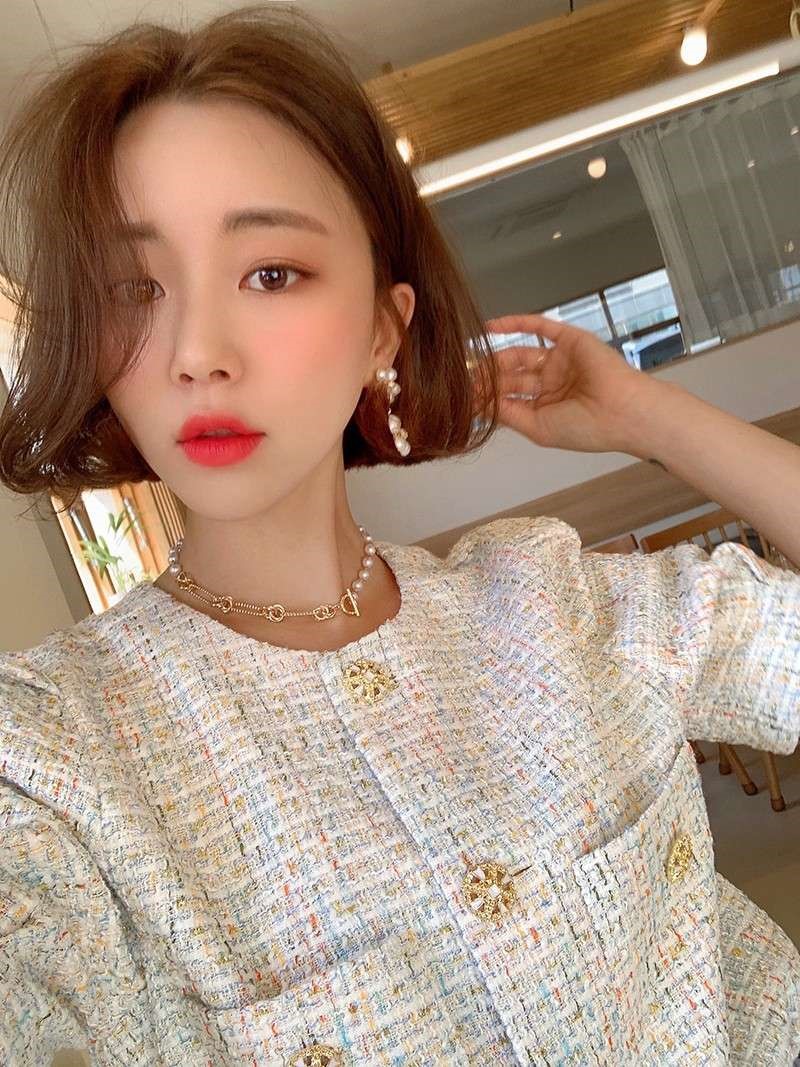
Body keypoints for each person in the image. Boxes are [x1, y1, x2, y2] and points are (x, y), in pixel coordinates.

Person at [0, 5, 798, 1066]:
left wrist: (644, 416)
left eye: (270, 272)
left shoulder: (552, 597)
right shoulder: (52, 759)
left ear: (383, 326)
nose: (196, 350)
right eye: (132, 288)